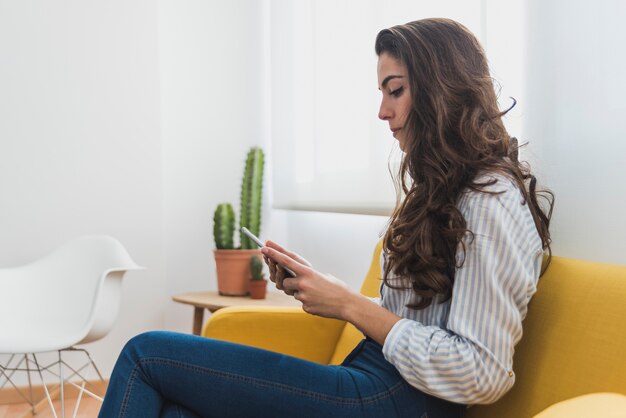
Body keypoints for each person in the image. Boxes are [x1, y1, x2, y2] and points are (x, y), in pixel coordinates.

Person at [98, 18, 553, 418]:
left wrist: (349, 304)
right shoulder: (444, 191)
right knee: (176, 412)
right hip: (377, 381)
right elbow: (414, 326)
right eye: (382, 93)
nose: (382, 111)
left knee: (144, 354)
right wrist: (324, 288)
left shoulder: (490, 200)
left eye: (395, 90)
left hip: (404, 401)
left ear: (441, 91)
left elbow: (481, 371)